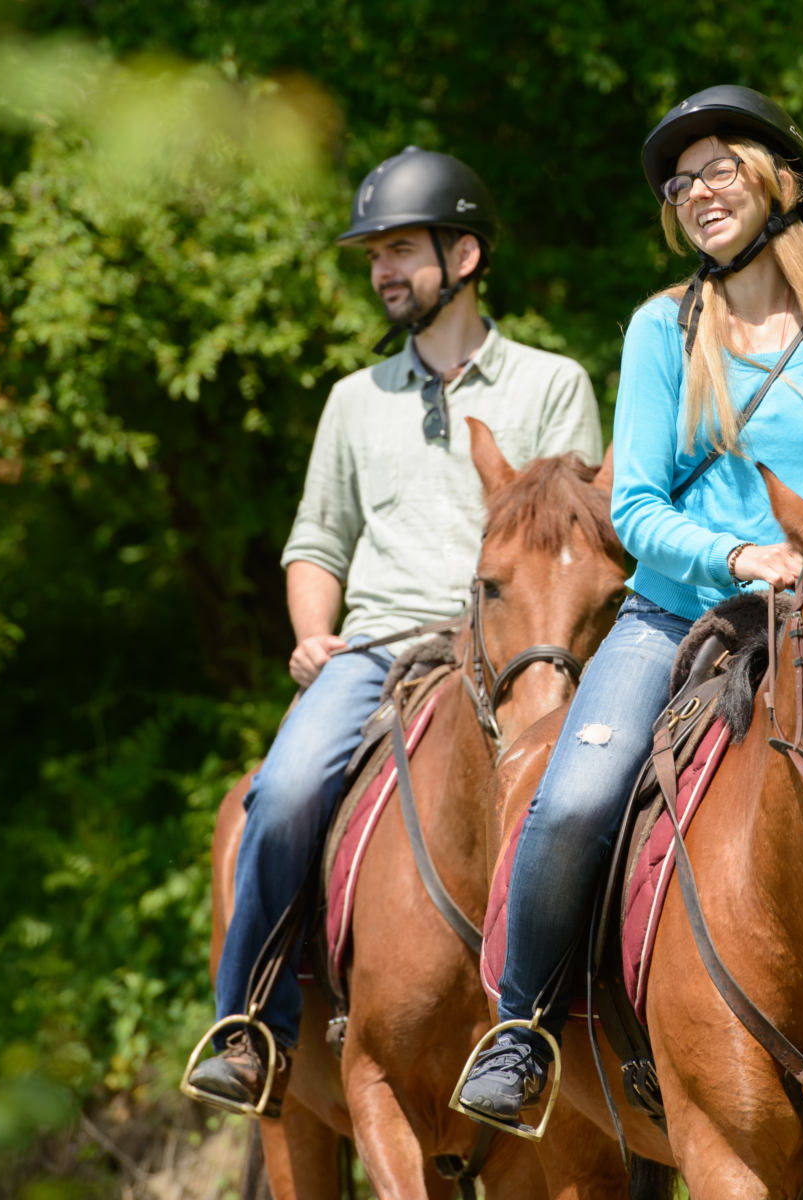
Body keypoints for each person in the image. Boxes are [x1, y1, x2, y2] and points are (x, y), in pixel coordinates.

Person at [455, 86, 803, 1145]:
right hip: (676, 620)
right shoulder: (661, 329)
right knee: (570, 799)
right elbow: (632, 508)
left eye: (717, 168)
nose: (696, 191)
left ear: (777, 183)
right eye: (680, 181)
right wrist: (737, 553)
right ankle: (523, 1029)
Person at [186, 147, 605, 1112]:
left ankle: (606, 1022)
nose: (381, 270)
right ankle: (250, 1024)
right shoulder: (350, 402)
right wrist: (310, 632)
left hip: (512, 653)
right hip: (374, 649)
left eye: (401, 249)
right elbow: (315, 541)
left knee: (600, 800)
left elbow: (576, 535)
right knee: (283, 792)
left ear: (462, 255)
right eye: (373, 254)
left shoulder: (550, 384)